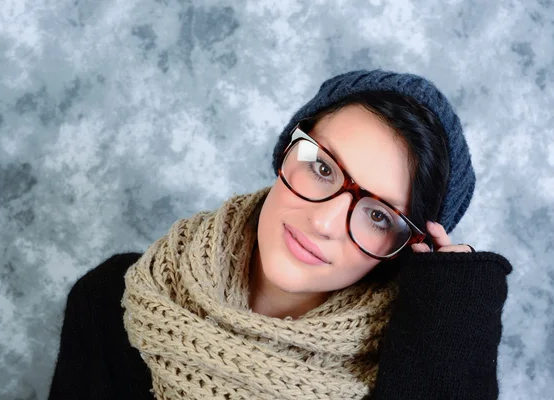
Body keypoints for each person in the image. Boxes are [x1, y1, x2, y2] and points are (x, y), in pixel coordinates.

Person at [48, 70, 512, 400]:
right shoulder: (113, 298)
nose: (325, 222)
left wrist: (456, 306)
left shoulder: (413, 358)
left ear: (405, 248)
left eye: (378, 216)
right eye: (323, 168)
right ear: (287, 152)